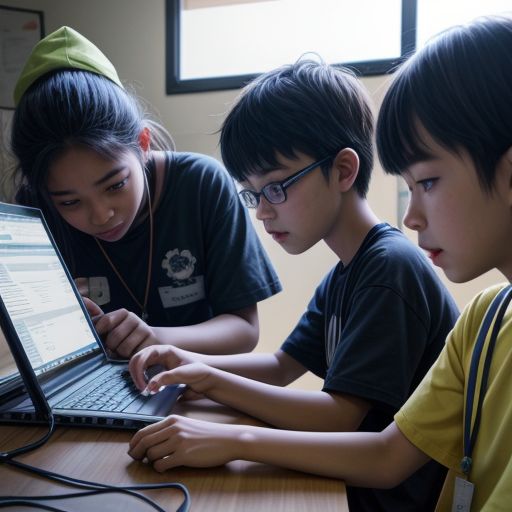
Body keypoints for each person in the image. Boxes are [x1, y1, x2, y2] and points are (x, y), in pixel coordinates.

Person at [127, 15, 512, 511]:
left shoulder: (389, 270)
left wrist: (218, 400)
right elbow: (284, 366)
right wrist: (196, 368)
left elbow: (341, 419)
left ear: (343, 170)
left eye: (428, 183)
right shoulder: (476, 317)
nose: (264, 210)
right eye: (254, 195)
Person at [8, 26, 281, 358]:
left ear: (142, 144)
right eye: (69, 201)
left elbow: (244, 331)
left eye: (115, 185)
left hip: (198, 387)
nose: (101, 214)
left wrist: (155, 336)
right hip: (90, 398)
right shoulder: (34, 214)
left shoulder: (201, 185)